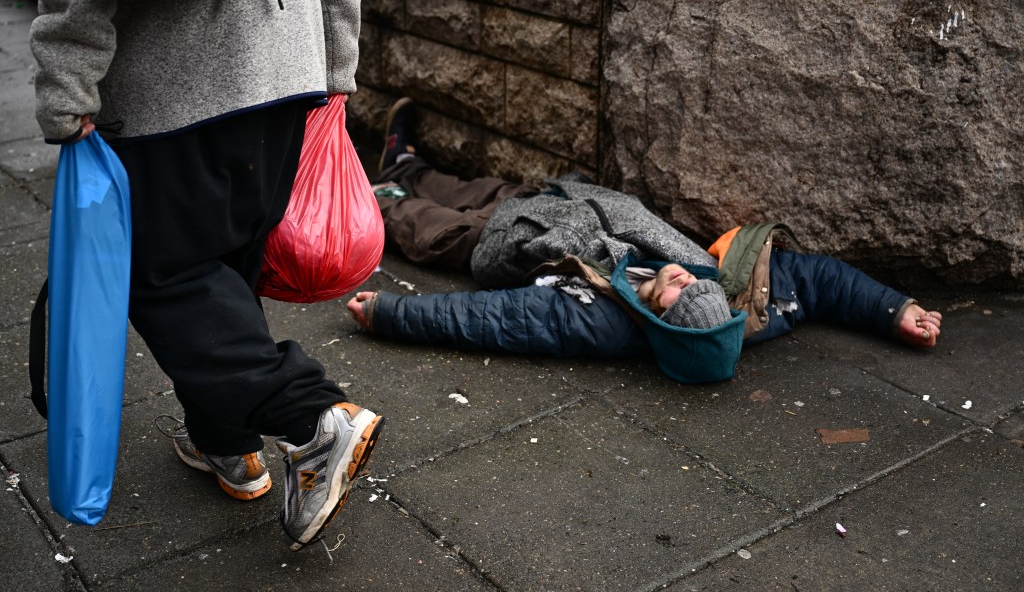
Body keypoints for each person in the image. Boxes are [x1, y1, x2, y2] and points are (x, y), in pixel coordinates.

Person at [30, 0, 383, 551]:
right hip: (287, 74)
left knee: (163, 274)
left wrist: (65, 92)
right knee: (231, 265)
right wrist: (337, 64)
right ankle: (228, 443)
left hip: (171, 87)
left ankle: (311, 417)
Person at [346, 99, 942, 382]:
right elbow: (820, 280)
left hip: (509, 247)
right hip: (561, 203)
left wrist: (391, 312)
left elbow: (495, 320)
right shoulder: (741, 305)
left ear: (659, 323)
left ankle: (373, 191)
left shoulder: (602, 324)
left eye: (676, 296)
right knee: (470, 185)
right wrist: (897, 310)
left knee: (421, 223)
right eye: (693, 283)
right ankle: (405, 163)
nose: (684, 280)